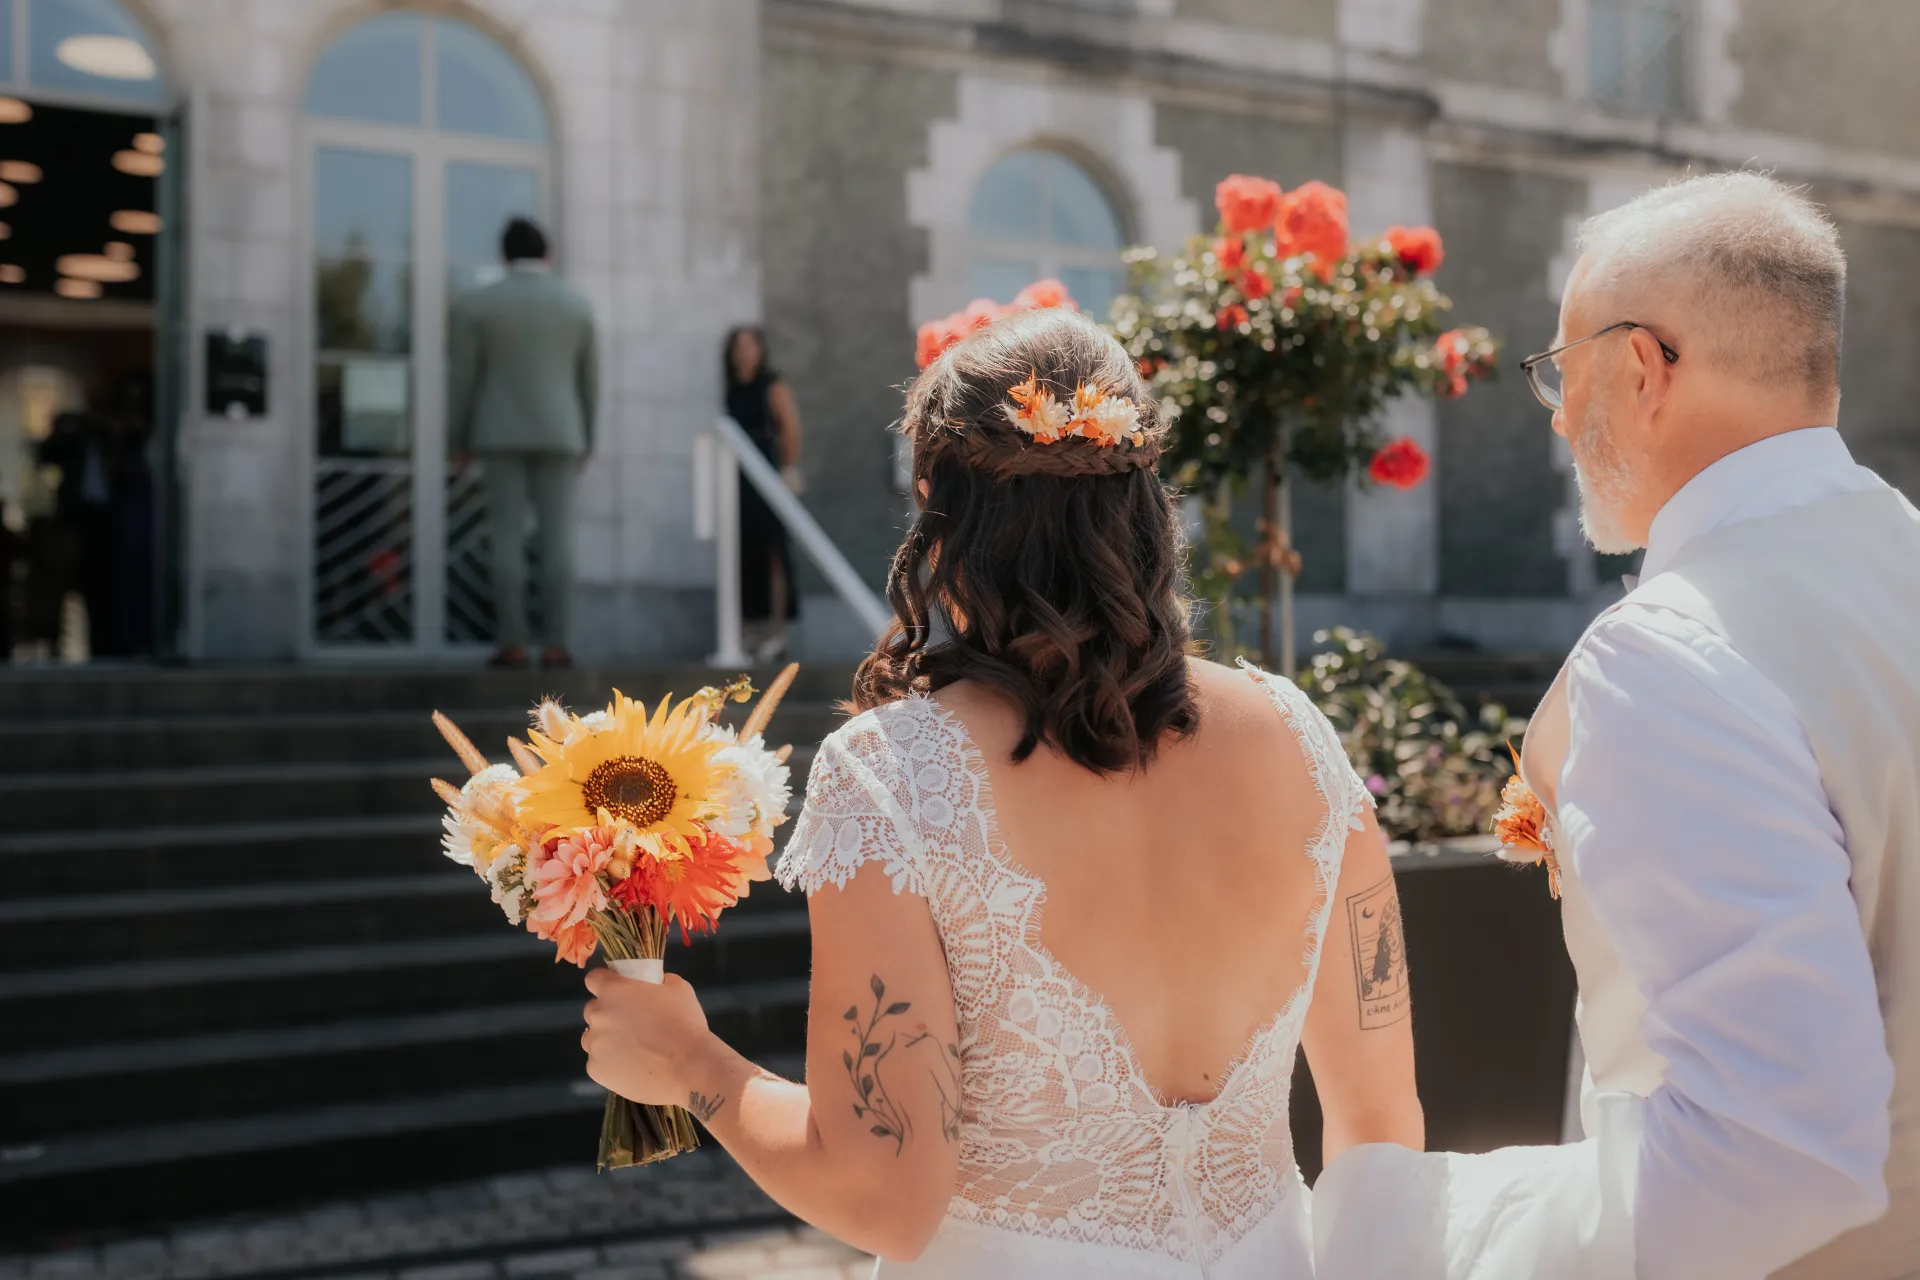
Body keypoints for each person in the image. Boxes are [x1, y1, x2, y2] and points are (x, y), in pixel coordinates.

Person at [580, 308, 1424, 1277]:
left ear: (941, 513)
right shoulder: (1301, 739)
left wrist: (690, 1061)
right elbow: (1382, 1125)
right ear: (1144, 500)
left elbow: (882, 1198)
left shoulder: (895, 777)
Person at [1314, 172, 1916, 1278]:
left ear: (1643, 367)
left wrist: (1453, 1242)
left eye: (1562, 368)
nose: (1555, 411)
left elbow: (1777, 1151)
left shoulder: (1674, 650)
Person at [448, 216, 598, 669]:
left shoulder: (477, 305)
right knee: (559, 540)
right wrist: (588, 438)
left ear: (504, 256)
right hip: (562, 433)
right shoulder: (576, 306)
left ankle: (512, 643)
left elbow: (463, 380)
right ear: (547, 255)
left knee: (506, 538)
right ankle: (557, 644)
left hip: (498, 433)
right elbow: (589, 380)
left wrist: (459, 438)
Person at [723, 326, 803, 663]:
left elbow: (790, 429)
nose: (745, 352)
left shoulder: (773, 385)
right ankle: (746, 633)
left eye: (750, 345)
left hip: (766, 470)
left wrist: (786, 470)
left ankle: (776, 633)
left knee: (774, 552)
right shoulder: (730, 390)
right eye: (739, 346)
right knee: (742, 552)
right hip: (735, 477)